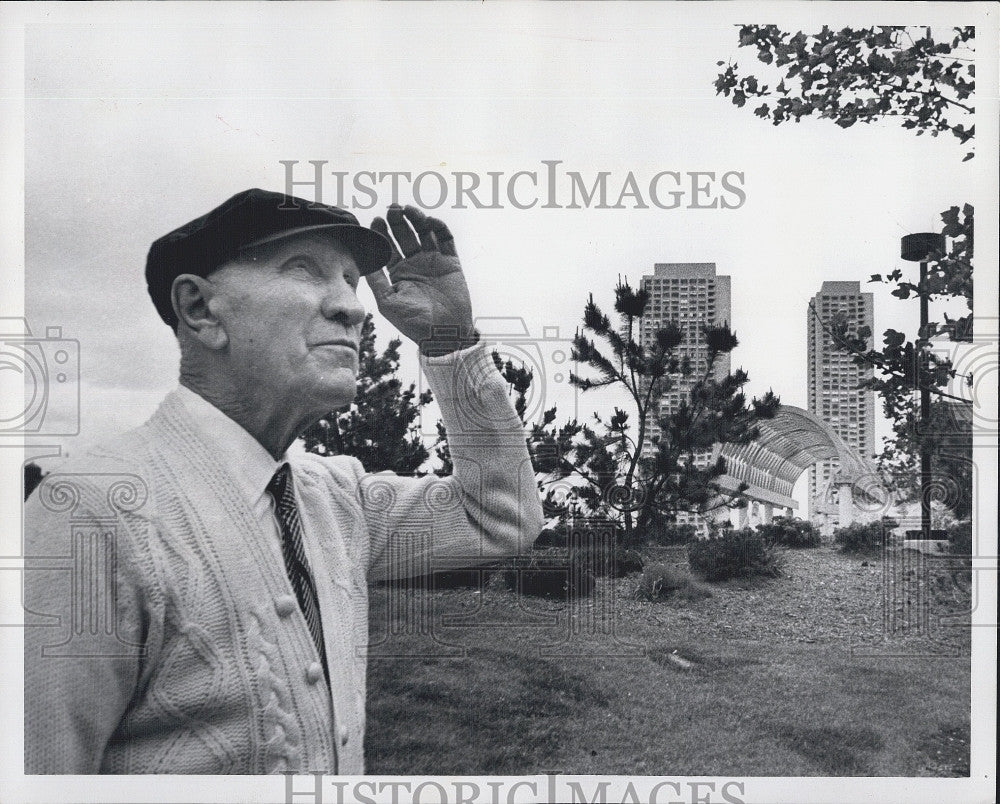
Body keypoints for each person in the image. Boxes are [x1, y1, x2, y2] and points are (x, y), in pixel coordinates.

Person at [23, 188, 543, 774]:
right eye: (305, 270)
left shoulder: (335, 496)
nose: (353, 306)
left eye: (350, 278)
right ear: (199, 309)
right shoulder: (91, 515)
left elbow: (499, 518)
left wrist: (450, 345)